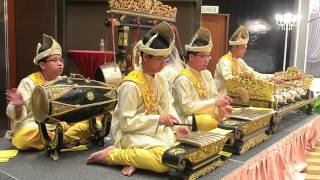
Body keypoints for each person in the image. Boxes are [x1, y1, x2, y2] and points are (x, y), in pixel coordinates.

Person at [86, 22, 190, 176]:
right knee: (164, 162)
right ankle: (113, 155)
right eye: (160, 59)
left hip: (154, 131)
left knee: (182, 150)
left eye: (165, 59)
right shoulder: (130, 84)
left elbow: (168, 106)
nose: (163, 64)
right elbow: (126, 123)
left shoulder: (160, 79)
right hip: (130, 134)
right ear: (146, 56)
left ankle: (136, 160)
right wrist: (159, 120)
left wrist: (176, 126)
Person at [6, 34, 92, 150]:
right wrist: (18, 106)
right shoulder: (29, 82)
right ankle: (64, 139)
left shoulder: (65, 81)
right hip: (35, 126)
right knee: (22, 139)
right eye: (54, 60)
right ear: (42, 65)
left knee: (90, 123)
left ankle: (58, 139)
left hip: (62, 123)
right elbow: (17, 116)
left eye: (61, 60)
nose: (60, 63)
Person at [172, 27, 233, 131]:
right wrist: (214, 104)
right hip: (187, 120)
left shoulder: (207, 74)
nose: (207, 60)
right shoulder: (183, 79)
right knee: (209, 122)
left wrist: (221, 105)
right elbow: (187, 108)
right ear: (191, 57)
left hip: (207, 114)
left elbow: (214, 96)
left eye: (208, 56)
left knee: (229, 115)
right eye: (203, 57)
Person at [214, 25, 281, 96]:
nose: (245, 51)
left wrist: (272, 77)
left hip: (235, 98)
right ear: (234, 47)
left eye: (245, 48)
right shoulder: (224, 61)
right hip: (222, 98)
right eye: (243, 48)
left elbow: (252, 74)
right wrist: (248, 81)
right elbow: (230, 80)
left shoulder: (239, 61)